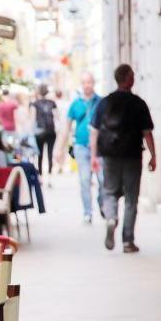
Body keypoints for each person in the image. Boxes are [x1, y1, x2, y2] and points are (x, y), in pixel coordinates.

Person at [91, 64, 156, 253]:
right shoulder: (138, 103)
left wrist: (94, 156)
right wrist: (153, 155)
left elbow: (94, 132)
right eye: (132, 75)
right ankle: (128, 241)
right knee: (131, 198)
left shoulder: (104, 102)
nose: (134, 77)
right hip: (133, 156)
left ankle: (111, 218)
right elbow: (147, 133)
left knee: (110, 192)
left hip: (110, 156)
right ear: (127, 79)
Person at [66, 73, 102, 224]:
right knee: (85, 180)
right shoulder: (75, 104)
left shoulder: (101, 102)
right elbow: (67, 126)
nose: (87, 85)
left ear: (93, 83)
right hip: (81, 146)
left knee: (103, 180)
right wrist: (61, 148)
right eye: (84, 82)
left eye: (90, 82)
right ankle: (88, 212)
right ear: (82, 84)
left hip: (100, 148)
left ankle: (103, 203)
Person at [32, 84, 58, 176]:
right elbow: (56, 117)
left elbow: (33, 118)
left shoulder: (35, 103)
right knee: (50, 154)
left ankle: (41, 175)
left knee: (40, 154)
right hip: (51, 131)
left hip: (40, 132)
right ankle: (50, 176)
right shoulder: (52, 103)